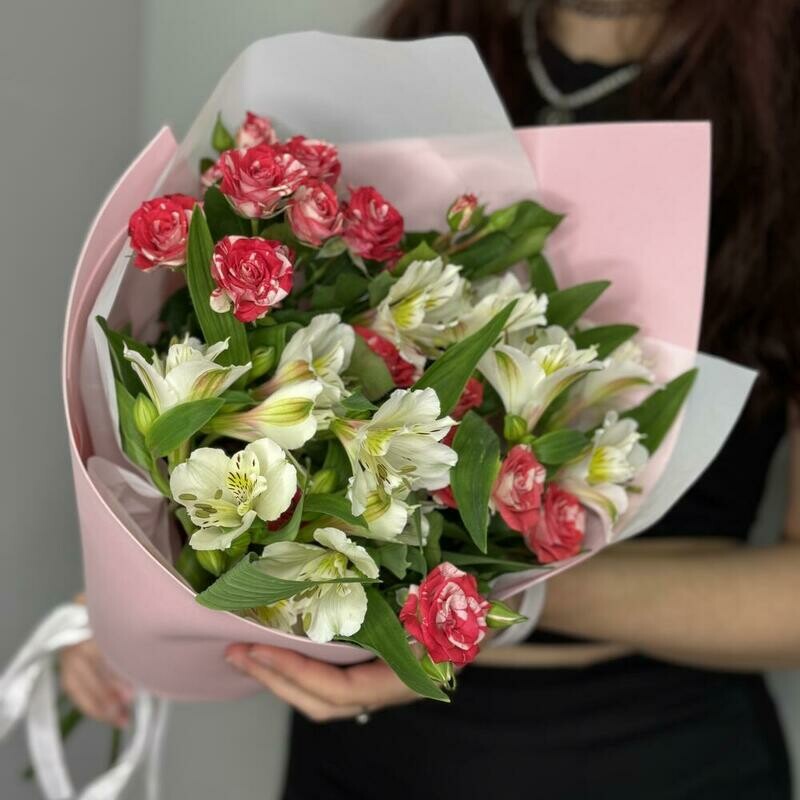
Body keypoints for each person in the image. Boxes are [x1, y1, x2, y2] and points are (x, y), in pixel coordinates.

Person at [61, 1, 800, 797]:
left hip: (654, 754)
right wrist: (156, 581)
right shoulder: (403, 65)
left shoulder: (782, 120)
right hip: (365, 758)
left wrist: (466, 603)